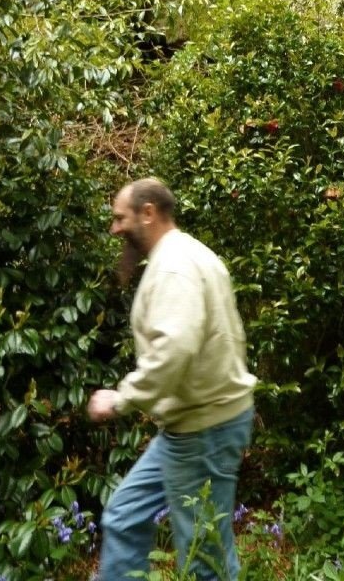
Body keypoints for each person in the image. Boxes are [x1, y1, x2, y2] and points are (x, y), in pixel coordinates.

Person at [87, 177, 257, 581]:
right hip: (188, 429)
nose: (115, 228)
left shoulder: (175, 267)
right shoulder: (185, 255)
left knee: (206, 561)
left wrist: (122, 397)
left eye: (120, 218)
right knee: (124, 516)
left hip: (204, 431)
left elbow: (174, 348)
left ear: (148, 213)